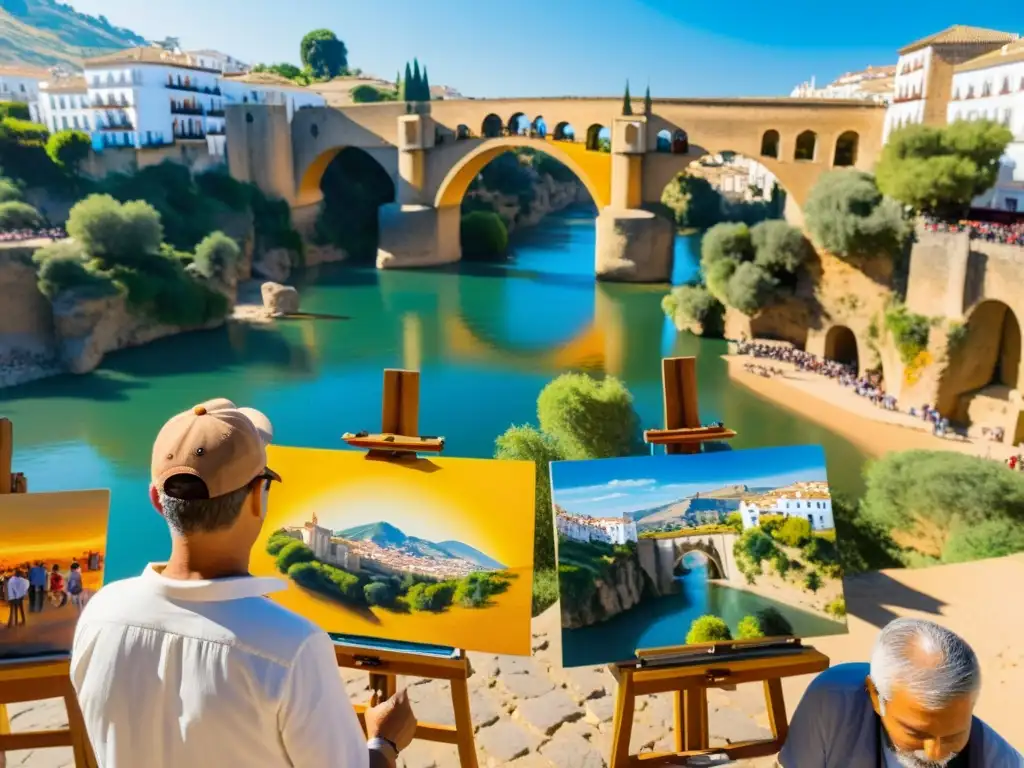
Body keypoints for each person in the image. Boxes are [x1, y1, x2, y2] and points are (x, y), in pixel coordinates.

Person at [71, 399, 417, 768]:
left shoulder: (101, 614)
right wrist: (385, 742)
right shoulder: (291, 647)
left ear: (156, 499)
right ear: (257, 498)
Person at [779, 617, 1023, 767]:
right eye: (915, 732)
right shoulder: (831, 703)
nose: (934, 754)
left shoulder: (995, 758)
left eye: (952, 736)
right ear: (875, 696)